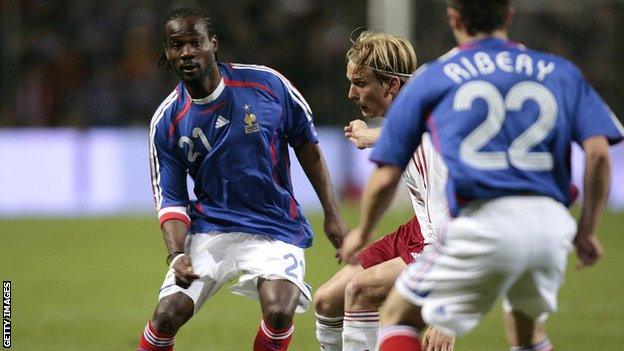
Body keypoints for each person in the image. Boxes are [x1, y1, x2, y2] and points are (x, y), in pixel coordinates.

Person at [339, 1, 624, 350]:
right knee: (527, 335)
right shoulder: (558, 71)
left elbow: (387, 173)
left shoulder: (437, 75)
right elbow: (597, 153)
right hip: (550, 227)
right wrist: (588, 229)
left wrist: (362, 231)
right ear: (509, 16)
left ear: (454, 18)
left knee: (397, 314)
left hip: (482, 221)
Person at [137, 7, 347, 351]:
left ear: (213, 44)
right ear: (167, 53)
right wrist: (176, 255)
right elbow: (171, 199)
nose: (187, 52)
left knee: (280, 311)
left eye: (195, 42)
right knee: (166, 315)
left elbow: (306, 144)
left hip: (276, 225)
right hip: (211, 229)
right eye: (177, 45)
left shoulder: (267, 84)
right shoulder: (167, 121)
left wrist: (332, 213)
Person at [313, 31, 455, 351]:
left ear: (391, 85)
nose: (351, 93)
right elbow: (405, 132)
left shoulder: (430, 145)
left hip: (440, 236)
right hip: (418, 228)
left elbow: (450, 226)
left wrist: (443, 313)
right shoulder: (416, 115)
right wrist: (369, 136)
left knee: (360, 291)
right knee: (326, 301)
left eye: (360, 83)